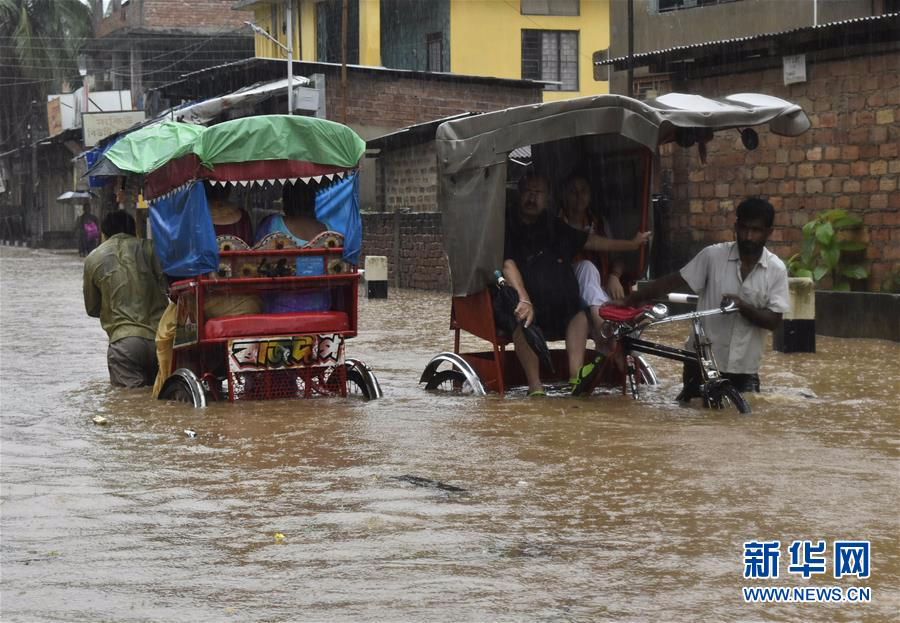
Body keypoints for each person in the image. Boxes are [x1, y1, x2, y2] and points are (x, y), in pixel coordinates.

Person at [623, 196, 789, 400]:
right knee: (693, 417)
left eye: (756, 230)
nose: (748, 236)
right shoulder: (712, 257)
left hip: (744, 368)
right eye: (744, 229)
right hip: (700, 361)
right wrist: (630, 299)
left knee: (745, 425)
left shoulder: (776, 270)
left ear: (769, 232)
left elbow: (774, 321)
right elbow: (673, 281)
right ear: (736, 227)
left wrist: (743, 307)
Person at [502, 172, 651, 396]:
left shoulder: (553, 224)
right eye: (527, 192)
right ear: (519, 194)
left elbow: (589, 241)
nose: (532, 198)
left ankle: (576, 378)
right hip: (526, 301)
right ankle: (536, 388)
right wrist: (524, 297)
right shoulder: (507, 224)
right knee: (523, 318)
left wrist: (630, 245)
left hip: (561, 303)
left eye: (538, 193)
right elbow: (508, 263)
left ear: (547, 199)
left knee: (579, 315)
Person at [151, 183, 257, 398]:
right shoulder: (242, 216)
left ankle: (163, 393)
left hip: (204, 299)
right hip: (250, 299)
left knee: (165, 336)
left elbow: (179, 266)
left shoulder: (190, 217)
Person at [83, 210, 168, 388]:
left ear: (104, 233)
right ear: (134, 229)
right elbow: (168, 286)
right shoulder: (151, 248)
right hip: (161, 340)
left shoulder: (93, 258)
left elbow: (92, 308)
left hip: (123, 344)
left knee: (130, 404)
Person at [559, 173, 634, 346]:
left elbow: (618, 258)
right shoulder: (557, 224)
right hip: (567, 294)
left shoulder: (599, 223)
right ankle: (605, 323)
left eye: (583, 190)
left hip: (600, 290)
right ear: (564, 195)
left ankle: (606, 331)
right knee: (586, 267)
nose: (579, 196)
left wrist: (614, 276)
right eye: (573, 191)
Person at [253, 182, 330, 312]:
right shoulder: (326, 229)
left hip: (278, 304)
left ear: (286, 200)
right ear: (312, 201)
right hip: (320, 304)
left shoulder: (272, 223)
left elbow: (254, 260)